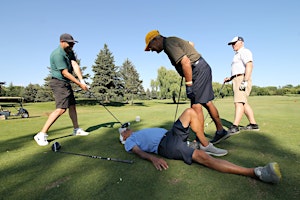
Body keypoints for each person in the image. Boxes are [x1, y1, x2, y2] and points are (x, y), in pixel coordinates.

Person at [119, 108, 282, 184]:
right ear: (123, 137)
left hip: (171, 135)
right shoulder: (129, 142)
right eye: (124, 131)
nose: (128, 129)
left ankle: (203, 143)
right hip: (166, 146)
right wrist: (153, 158)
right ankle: (256, 173)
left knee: (191, 112)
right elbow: (139, 152)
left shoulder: (136, 133)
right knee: (202, 158)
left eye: (127, 128)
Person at [144, 30, 229, 144]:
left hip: (198, 71)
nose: (152, 50)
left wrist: (189, 84)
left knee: (196, 105)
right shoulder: (172, 40)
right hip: (201, 68)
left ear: (156, 39)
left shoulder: (168, 44)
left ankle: (200, 141)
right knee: (207, 102)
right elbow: (191, 43)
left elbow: (186, 62)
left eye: (151, 46)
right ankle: (220, 131)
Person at [34, 33, 89, 146]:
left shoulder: (69, 52)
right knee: (61, 109)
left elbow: (74, 65)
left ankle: (76, 129)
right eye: (70, 43)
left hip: (66, 83)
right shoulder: (57, 54)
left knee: (72, 106)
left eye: (73, 43)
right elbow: (65, 73)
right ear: (62, 42)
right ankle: (41, 134)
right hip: (58, 83)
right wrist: (79, 84)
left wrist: (82, 80)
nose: (72, 45)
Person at [225, 36, 259, 135]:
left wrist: (245, 81)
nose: (232, 45)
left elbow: (249, 65)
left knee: (238, 102)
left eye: (234, 43)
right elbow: (238, 69)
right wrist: (230, 78)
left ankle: (235, 126)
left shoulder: (245, 51)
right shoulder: (237, 54)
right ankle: (253, 124)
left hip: (242, 79)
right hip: (236, 79)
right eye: (231, 44)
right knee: (243, 102)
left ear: (241, 42)